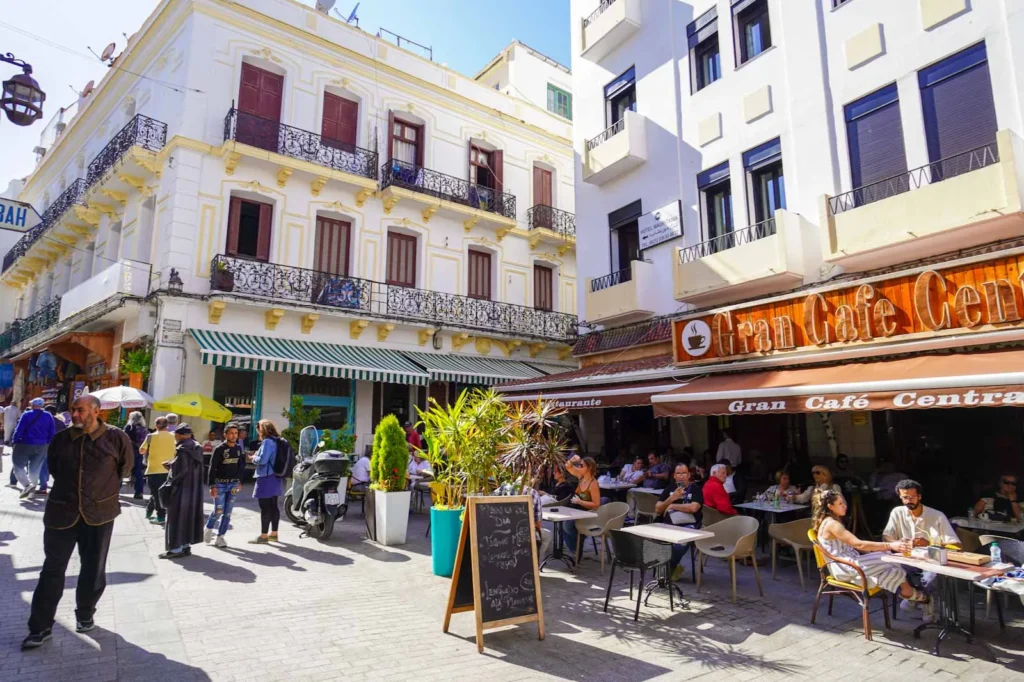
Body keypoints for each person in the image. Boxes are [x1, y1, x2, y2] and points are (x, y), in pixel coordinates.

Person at [21, 395, 133, 649]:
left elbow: (125, 469)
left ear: (96, 411)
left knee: (93, 569)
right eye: (73, 410)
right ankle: (40, 628)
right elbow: (55, 468)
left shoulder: (116, 438)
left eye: (80, 410)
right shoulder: (61, 439)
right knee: (52, 570)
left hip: (99, 514)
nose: (75, 414)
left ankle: (85, 614)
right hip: (62, 513)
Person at [815, 488, 930, 606]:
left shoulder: (832, 521)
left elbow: (854, 546)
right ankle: (912, 595)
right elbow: (858, 544)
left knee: (892, 565)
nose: (844, 505)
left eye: (844, 502)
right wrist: (890, 545)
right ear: (830, 506)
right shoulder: (832, 524)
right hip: (846, 567)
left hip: (849, 563)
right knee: (890, 560)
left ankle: (910, 594)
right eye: (840, 503)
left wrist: (875, 551)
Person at [882, 479, 959, 622]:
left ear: (920, 497)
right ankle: (917, 597)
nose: (908, 501)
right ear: (900, 497)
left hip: (932, 560)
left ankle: (919, 599)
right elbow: (887, 535)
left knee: (931, 578)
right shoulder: (897, 512)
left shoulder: (937, 516)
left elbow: (955, 545)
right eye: (905, 497)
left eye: (912, 497)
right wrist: (897, 543)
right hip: (908, 558)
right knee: (888, 568)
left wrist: (928, 543)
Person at [160, 424, 205, 560]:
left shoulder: (183, 449)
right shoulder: (197, 447)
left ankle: (175, 549)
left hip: (180, 489)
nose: (175, 437)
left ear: (180, 435)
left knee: (175, 518)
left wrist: (169, 466)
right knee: (188, 517)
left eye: (176, 435)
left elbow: (178, 472)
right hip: (193, 490)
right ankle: (185, 546)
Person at [656, 463, 704, 581]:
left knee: (680, 545)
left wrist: (673, 505)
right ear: (674, 476)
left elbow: (694, 508)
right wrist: (671, 498)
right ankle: (672, 567)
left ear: (688, 475)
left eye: (684, 473)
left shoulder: (696, 489)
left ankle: (668, 568)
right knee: (654, 541)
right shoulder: (670, 489)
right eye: (678, 473)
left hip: (689, 525)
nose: (681, 476)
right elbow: (658, 509)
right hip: (669, 524)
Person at [204, 423, 245, 549]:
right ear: (225, 434)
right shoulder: (219, 449)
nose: (234, 436)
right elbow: (212, 468)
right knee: (218, 511)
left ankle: (220, 537)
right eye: (231, 433)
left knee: (227, 513)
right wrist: (212, 485)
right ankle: (209, 528)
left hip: (233, 484)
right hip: (220, 484)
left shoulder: (238, 449)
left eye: (236, 433)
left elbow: (241, 467)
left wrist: (240, 482)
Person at [11, 397, 56, 499]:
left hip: (25, 444)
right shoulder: (48, 416)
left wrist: (14, 441)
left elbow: (19, 430)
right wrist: (47, 443)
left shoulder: (27, 415)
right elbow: (52, 432)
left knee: (18, 466)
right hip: (42, 445)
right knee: (35, 469)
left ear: (33, 405)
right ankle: (31, 493)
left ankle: (27, 486)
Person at [249, 419, 283, 544]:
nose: (258, 433)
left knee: (265, 508)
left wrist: (254, 458)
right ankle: (274, 534)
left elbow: (262, 461)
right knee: (274, 506)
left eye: (259, 430)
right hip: (276, 476)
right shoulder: (278, 441)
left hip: (266, 476)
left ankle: (263, 536)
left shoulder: (267, 442)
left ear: (262, 430)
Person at [563, 455, 601, 560]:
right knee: (561, 526)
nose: (579, 467)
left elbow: (596, 504)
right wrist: (572, 460)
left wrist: (580, 501)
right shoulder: (581, 477)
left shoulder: (593, 484)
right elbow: (568, 467)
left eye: (581, 465)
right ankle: (575, 549)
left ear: (588, 468)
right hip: (576, 509)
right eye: (579, 465)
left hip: (586, 513)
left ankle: (580, 540)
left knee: (567, 525)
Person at [140, 417, 176, 524]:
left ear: (156, 425)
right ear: (167, 425)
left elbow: (142, 451)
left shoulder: (150, 437)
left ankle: (160, 517)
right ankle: (149, 511)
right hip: (169, 470)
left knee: (156, 494)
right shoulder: (174, 436)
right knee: (164, 494)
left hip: (153, 470)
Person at [38, 405, 68, 496]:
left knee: (43, 467)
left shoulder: (43, 422)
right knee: (55, 467)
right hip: (58, 447)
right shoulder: (60, 422)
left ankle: (43, 487)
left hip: (45, 446)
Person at [123, 411, 148, 500]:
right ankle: (139, 492)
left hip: (128, 452)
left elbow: (124, 440)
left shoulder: (129, 427)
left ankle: (116, 492)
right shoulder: (144, 429)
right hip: (139, 452)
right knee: (138, 473)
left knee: (122, 470)